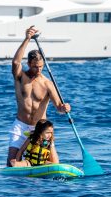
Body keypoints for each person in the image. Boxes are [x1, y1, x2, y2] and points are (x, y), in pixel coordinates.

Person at [7, 26, 70, 166]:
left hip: (40, 129)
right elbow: (15, 62)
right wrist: (27, 38)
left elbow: (58, 107)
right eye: (35, 66)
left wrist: (64, 108)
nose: (38, 69)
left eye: (41, 66)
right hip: (20, 126)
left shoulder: (47, 84)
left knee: (52, 163)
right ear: (29, 64)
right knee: (10, 163)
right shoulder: (20, 77)